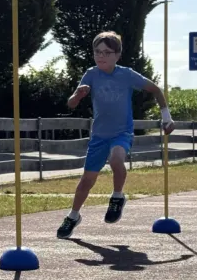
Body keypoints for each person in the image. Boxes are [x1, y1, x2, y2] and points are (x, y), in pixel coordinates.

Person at [56, 31, 174, 240]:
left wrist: (166, 117)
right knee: (86, 181)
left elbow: (156, 90)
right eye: (97, 52)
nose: (101, 56)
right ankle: (73, 216)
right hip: (99, 136)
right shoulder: (91, 74)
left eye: (107, 52)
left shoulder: (127, 75)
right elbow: (71, 104)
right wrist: (78, 95)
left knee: (116, 159)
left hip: (122, 132)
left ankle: (117, 197)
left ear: (117, 55)